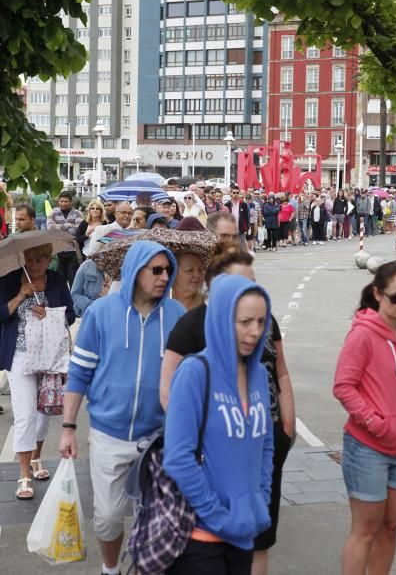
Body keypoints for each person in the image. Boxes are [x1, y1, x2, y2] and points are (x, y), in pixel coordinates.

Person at [161, 246, 295, 575]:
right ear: (222, 318)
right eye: (245, 322)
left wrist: (259, 503)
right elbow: (178, 458)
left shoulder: (258, 377)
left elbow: (264, 445)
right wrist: (218, 516)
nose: (255, 331)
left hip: (244, 534)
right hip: (199, 537)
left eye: (261, 322)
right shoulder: (196, 372)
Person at [59, 241, 185, 575]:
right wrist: (69, 427)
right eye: (156, 270)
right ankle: (110, 568)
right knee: (109, 516)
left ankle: (146, 567)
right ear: (134, 271)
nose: (164, 277)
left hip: (160, 438)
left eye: (168, 270)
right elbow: (79, 373)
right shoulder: (101, 313)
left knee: (157, 517)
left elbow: (190, 377)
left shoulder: (177, 315)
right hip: (108, 434)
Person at [333, 262, 396, 575]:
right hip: (368, 449)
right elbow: (343, 386)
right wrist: (374, 422)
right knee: (366, 530)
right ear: (377, 294)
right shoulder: (362, 335)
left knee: (390, 527)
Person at [0, 244, 75, 499]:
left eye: (42, 259)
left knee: (44, 411)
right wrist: (20, 294)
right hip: (19, 355)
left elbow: (71, 315)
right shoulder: (10, 279)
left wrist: (50, 313)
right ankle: (23, 473)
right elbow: (1, 314)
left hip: (49, 355)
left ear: (50, 259)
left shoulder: (57, 280)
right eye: (31, 260)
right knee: (24, 415)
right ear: (24, 258)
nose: (37, 265)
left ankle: (36, 457)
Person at [46, 191, 83, 287]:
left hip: (73, 250)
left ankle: (73, 301)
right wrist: (68, 225)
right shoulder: (53, 213)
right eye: (61, 201)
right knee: (59, 279)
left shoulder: (78, 214)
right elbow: (50, 228)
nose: (63, 203)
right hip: (58, 250)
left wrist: (59, 230)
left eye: (66, 201)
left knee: (73, 279)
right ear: (58, 201)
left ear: (71, 202)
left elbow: (77, 230)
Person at [225, 186, 250, 250]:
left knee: (241, 249)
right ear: (230, 193)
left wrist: (246, 229)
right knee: (231, 249)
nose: (235, 194)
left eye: (237, 193)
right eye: (234, 192)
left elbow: (247, 217)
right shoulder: (227, 205)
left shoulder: (244, 204)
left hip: (240, 230)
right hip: (230, 232)